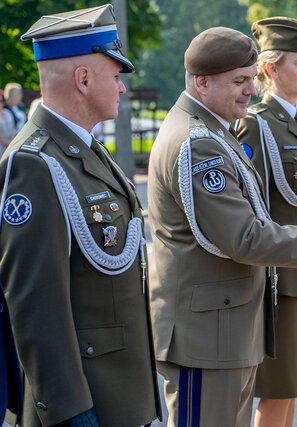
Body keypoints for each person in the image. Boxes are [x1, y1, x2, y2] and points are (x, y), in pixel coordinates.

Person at [148, 27, 297, 427]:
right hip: (206, 336)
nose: (250, 89)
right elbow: (246, 236)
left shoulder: (212, 131)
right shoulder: (198, 141)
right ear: (202, 82)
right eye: (239, 81)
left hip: (226, 328)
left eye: (251, 79)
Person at [0, 5, 162, 426]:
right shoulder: (33, 163)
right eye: (115, 76)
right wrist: (73, 413)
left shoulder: (82, 151)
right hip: (86, 404)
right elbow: (36, 305)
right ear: (84, 79)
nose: (122, 89)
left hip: (120, 396)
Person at [234, 17, 297, 427]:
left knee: (292, 391)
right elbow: (249, 208)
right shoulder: (254, 126)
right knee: (275, 394)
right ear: (271, 69)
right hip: (280, 283)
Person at [0, 90, 16, 155]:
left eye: (1, 101)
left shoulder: (8, 112)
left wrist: (11, 142)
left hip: (11, 145)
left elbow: (13, 129)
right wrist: (7, 143)